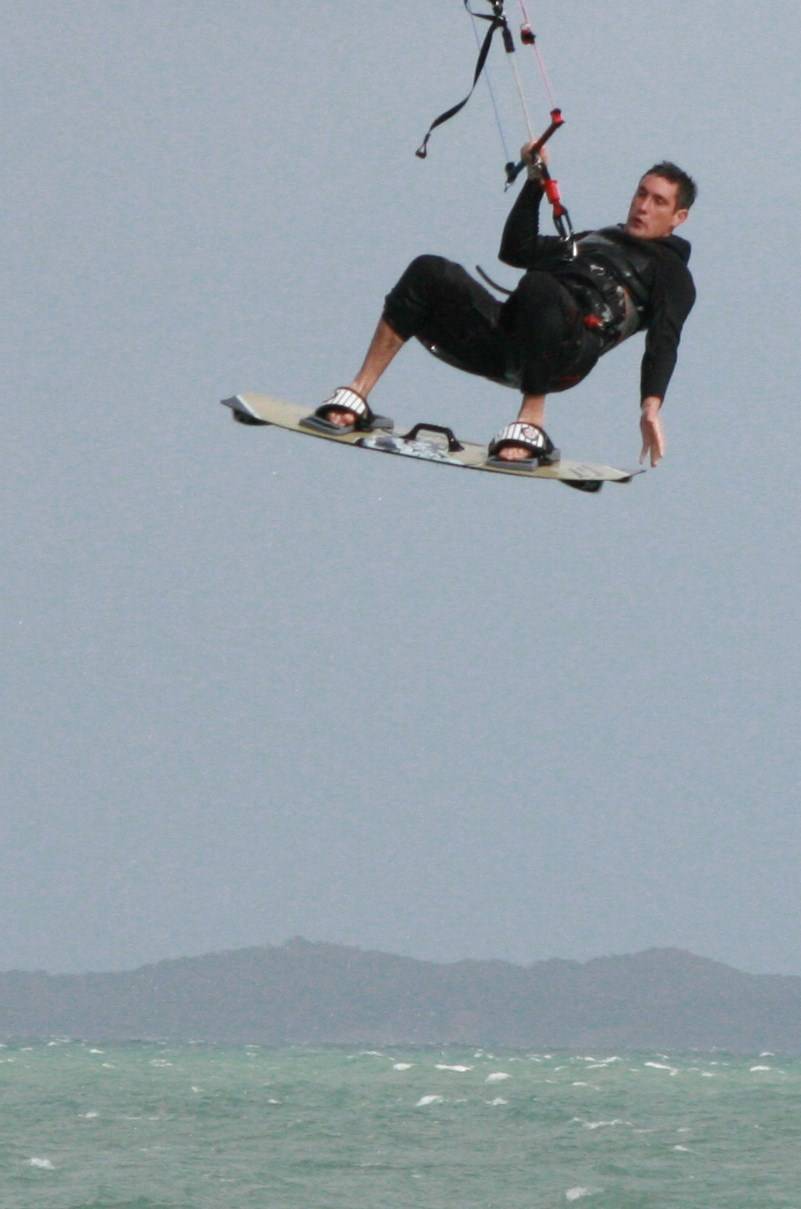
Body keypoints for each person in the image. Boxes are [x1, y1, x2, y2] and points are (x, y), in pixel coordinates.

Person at [313, 143, 696, 466]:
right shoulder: (595, 238)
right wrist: (534, 182)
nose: (643, 206)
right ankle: (358, 392)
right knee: (428, 271)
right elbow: (516, 250)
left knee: (542, 286)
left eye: (658, 201)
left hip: (567, 354)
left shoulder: (672, 273)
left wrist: (650, 405)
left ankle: (531, 422)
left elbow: (665, 338)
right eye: (641, 193)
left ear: (678, 217)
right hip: (512, 337)